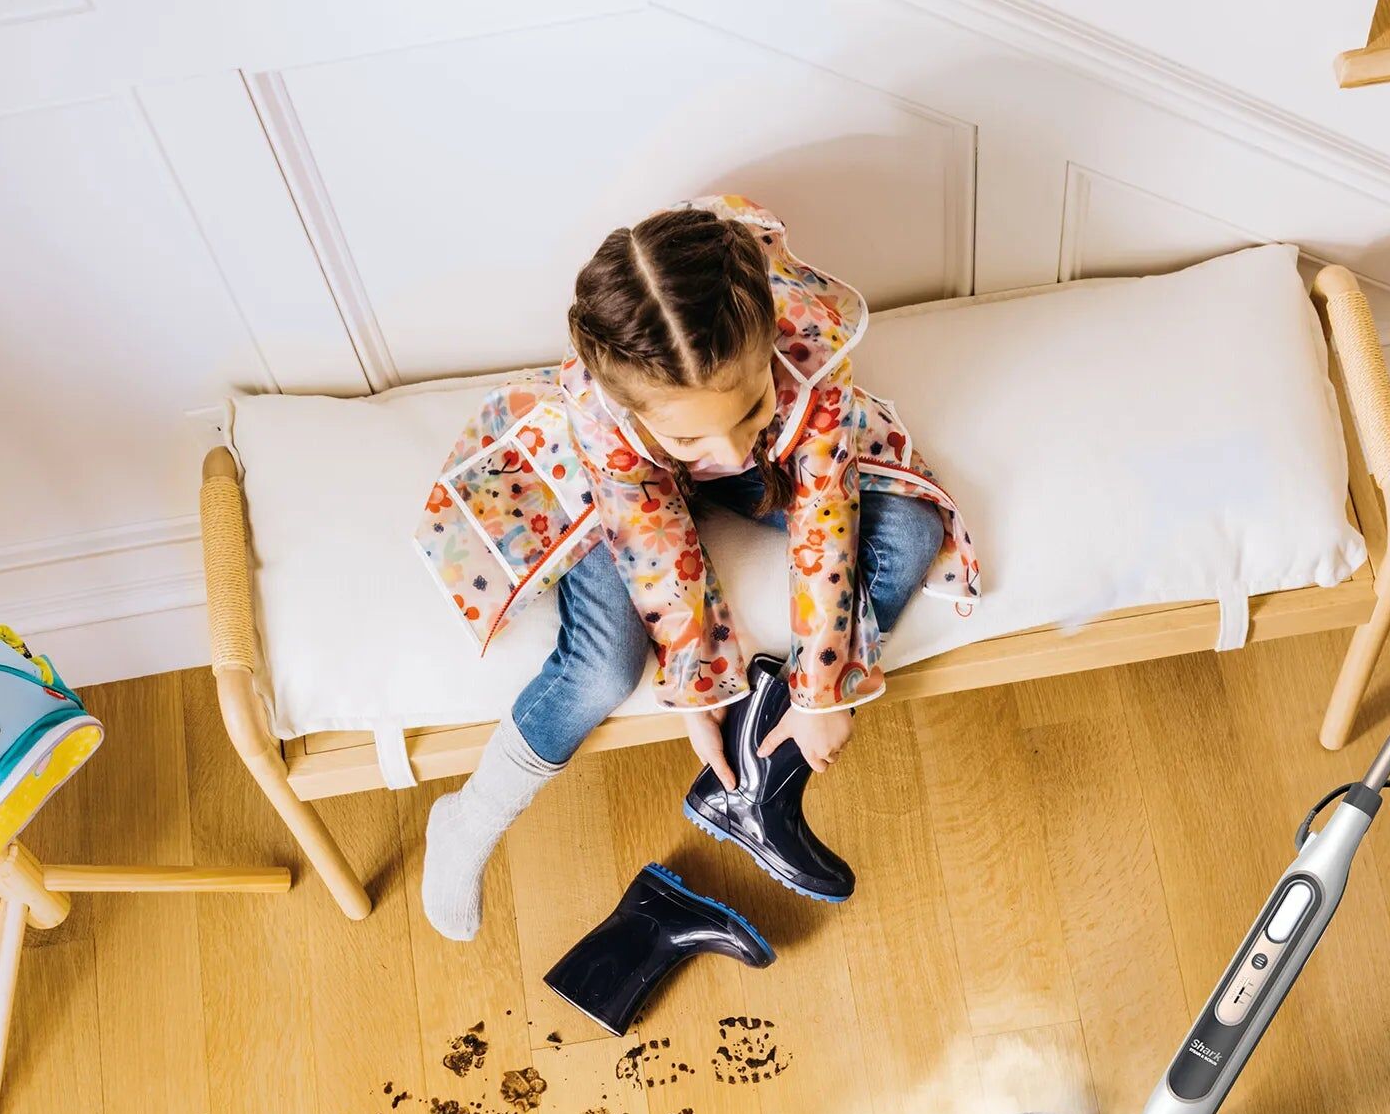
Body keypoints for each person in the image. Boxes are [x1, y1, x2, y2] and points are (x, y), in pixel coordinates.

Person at [414, 195, 977, 940]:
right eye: (698, 440)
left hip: (766, 438)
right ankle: (468, 817)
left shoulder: (806, 352)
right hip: (621, 484)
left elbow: (824, 520)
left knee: (908, 525)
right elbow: (656, 547)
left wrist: (820, 692)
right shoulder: (602, 411)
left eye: (746, 416)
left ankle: (758, 788)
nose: (732, 453)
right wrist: (700, 690)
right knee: (605, 667)